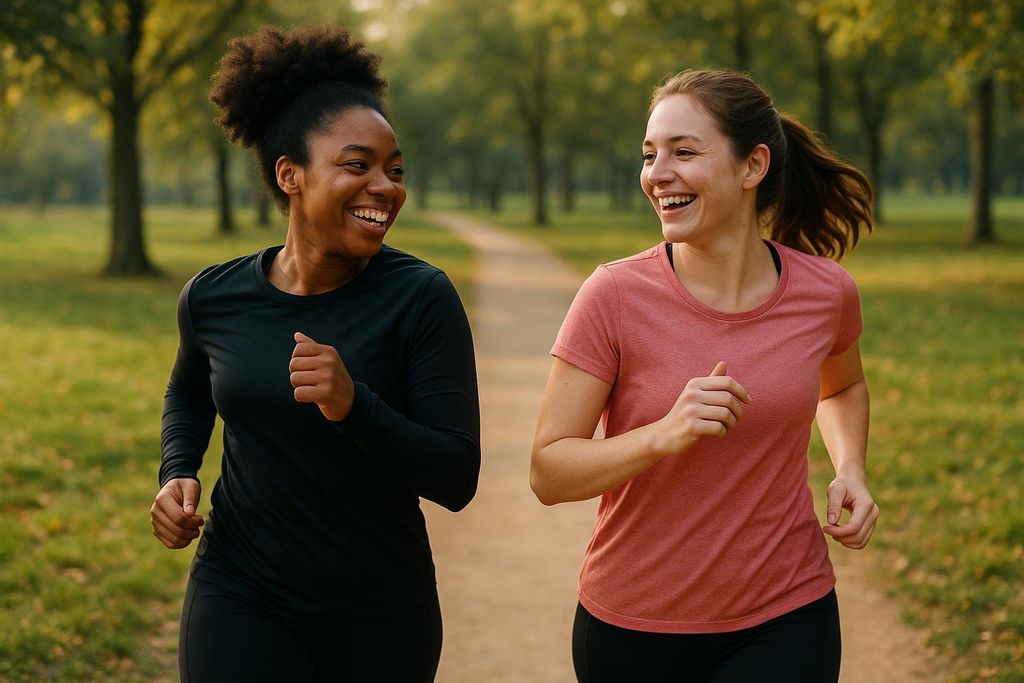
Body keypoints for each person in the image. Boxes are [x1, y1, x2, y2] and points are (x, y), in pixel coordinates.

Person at [149, 25, 480, 682]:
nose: (385, 186)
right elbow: (189, 390)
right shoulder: (212, 297)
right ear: (290, 174)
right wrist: (176, 469)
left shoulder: (421, 298)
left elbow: (455, 477)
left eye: (395, 169)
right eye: (357, 165)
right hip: (241, 594)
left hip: (381, 614)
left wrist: (354, 405)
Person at [530, 69, 879, 682]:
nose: (656, 173)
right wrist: (664, 433)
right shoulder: (612, 296)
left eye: (683, 152)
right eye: (649, 154)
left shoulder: (825, 293)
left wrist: (850, 468)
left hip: (787, 612)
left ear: (753, 166)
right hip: (634, 625)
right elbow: (549, 472)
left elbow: (843, 384)